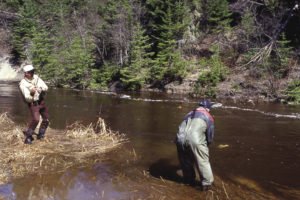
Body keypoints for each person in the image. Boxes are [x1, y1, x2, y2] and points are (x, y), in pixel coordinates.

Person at [175, 99, 215, 191]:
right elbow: (210, 135)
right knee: (203, 161)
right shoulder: (208, 116)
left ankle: (188, 181)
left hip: (179, 139)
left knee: (185, 160)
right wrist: (207, 145)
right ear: (207, 108)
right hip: (195, 140)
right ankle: (207, 185)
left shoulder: (188, 114)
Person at [19, 64, 49, 144]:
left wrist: (40, 89)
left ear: (32, 72)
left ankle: (41, 135)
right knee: (36, 120)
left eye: (28, 72)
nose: (26, 74)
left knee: (46, 119)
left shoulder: (36, 77)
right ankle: (28, 137)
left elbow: (46, 87)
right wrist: (32, 93)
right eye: (25, 73)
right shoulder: (23, 83)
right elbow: (27, 98)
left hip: (41, 101)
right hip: (33, 103)